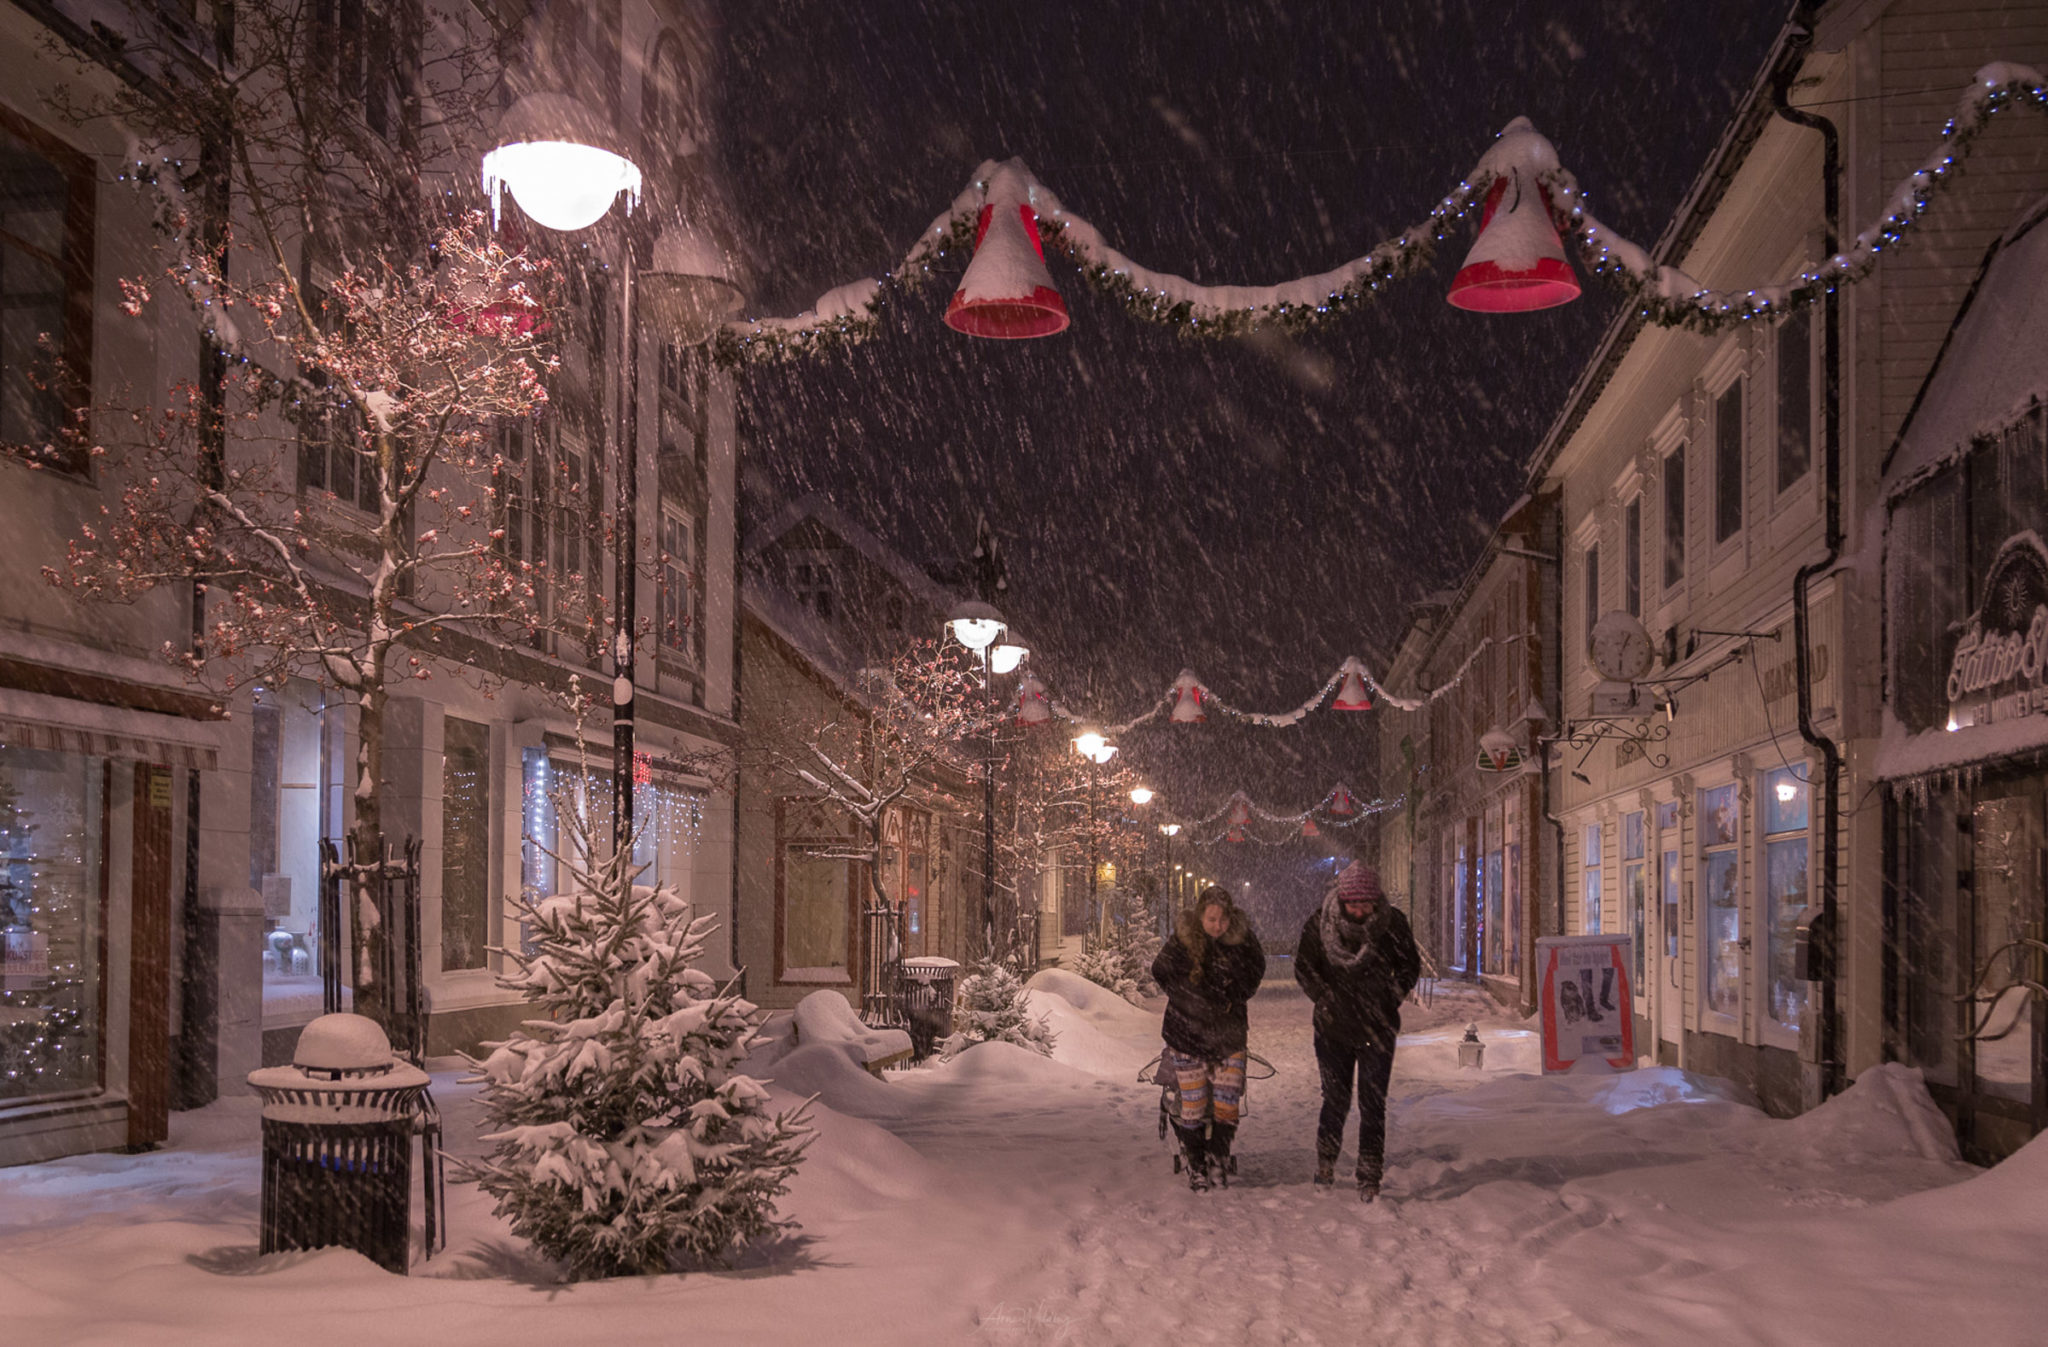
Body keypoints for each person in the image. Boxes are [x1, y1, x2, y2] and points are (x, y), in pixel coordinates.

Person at [1293, 861, 1420, 1201]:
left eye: (1367, 904)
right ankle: (1326, 1163)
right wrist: (1324, 997)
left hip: (1378, 1028)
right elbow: (1304, 967)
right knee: (1335, 1100)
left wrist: (1390, 996)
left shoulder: (1392, 925)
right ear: (1343, 900)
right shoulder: (1321, 924)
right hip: (1332, 1028)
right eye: (1354, 904)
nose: (1361, 911)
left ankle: (1369, 1173)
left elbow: (1409, 966)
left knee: (1373, 1103)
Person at [1151, 886, 1266, 1191]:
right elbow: (1160, 970)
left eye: (1223, 920)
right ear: (1200, 916)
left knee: (1228, 1102)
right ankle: (1197, 1163)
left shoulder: (1242, 940)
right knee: (1193, 1104)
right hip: (1186, 1034)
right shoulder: (1183, 940)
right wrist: (1188, 1001)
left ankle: (1217, 1156)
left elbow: (1256, 971)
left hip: (1228, 1035)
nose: (1218, 926)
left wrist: (1232, 995)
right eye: (1212, 919)